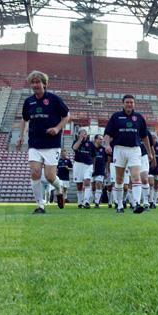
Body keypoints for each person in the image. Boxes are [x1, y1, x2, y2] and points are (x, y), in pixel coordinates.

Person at [17, 71, 69, 214]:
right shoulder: (28, 102)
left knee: (50, 177)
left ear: (44, 84)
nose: (35, 85)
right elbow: (24, 119)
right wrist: (21, 136)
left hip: (52, 144)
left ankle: (59, 188)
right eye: (33, 82)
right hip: (34, 143)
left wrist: (57, 128)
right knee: (35, 172)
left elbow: (66, 116)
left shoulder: (54, 99)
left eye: (38, 82)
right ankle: (40, 205)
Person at [103, 94, 154, 214]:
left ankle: (136, 204)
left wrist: (149, 152)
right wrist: (107, 145)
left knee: (136, 177)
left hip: (135, 150)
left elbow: (145, 136)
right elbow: (107, 133)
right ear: (123, 103)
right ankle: (120, 204)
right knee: (119, 179)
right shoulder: (116, 116)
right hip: (119, 149)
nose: (129, 104)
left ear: (134, 104)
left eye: (131, 102)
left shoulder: (139, 117)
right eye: (127, 102)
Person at [72, 128, 95, 209]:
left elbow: (93, 156)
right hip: (78, 164)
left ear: (87, 135)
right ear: (78, 135)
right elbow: (74, 148)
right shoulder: (76, 142)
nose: (83, 135)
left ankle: (86, 201)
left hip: (88, 165)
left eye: (85, 134)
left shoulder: (91, 144)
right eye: (81, 134)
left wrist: (93, 166)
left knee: (87, 182)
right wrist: (80, 140)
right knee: (79, 185)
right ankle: (80, 202)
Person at [91, 134, 109, 209]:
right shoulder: (91, 148)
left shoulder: (104, 149)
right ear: (95, 139)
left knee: (99, 184)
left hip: (100, 169)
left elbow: (106, 161)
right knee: (92, 187)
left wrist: (106, 170)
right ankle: (92, 199)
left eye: (102, 139)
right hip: (91, 169)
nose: (101, 140)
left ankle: (97, 203)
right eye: (100, 139)